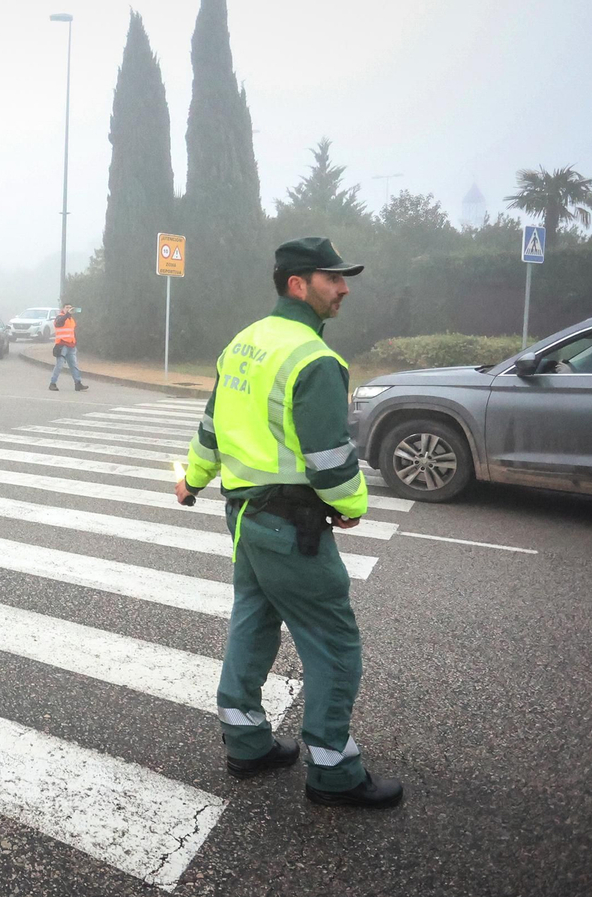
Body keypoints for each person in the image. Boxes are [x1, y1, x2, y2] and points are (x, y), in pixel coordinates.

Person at [175, 237, 402, 809]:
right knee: (333, 642)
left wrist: (193, 480)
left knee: (253, 623)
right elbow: (330, 459)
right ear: (298, 284)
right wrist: (351, 505)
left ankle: (247, 744)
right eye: (333, 278)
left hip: (245, 519)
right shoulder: (314, 359)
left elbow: (212, 425)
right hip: (289, 525)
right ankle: (334, 771)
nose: (344, 288)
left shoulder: (244, 342)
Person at [47, 304, 87, 391]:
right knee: (59, 365)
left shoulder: (71, 319)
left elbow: (72, 332)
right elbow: (59, 322)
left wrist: (75, 342)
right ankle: (52, 383)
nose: (69, 309)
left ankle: (78, 383)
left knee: (74, 365)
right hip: (62, 345)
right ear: (63, 309)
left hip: (71, 345)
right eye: (67, 308)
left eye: (70, 308)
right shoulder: (60, 317)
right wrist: (67, 314)